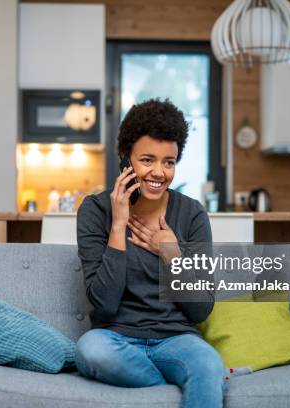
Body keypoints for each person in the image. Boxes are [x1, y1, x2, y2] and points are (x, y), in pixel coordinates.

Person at [75, 98, 225, 408]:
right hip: (115, 339)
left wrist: (171, 253)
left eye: (168, 162)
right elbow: (104, 307)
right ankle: (167, 384)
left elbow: (200, 311)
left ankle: (171, 379)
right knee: (91, 350)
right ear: (126, 159)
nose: (159, 172)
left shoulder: (192, 214)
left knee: (208, 363)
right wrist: (118, 227)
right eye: (147, 160)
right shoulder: (95, 211)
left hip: (176, 340)